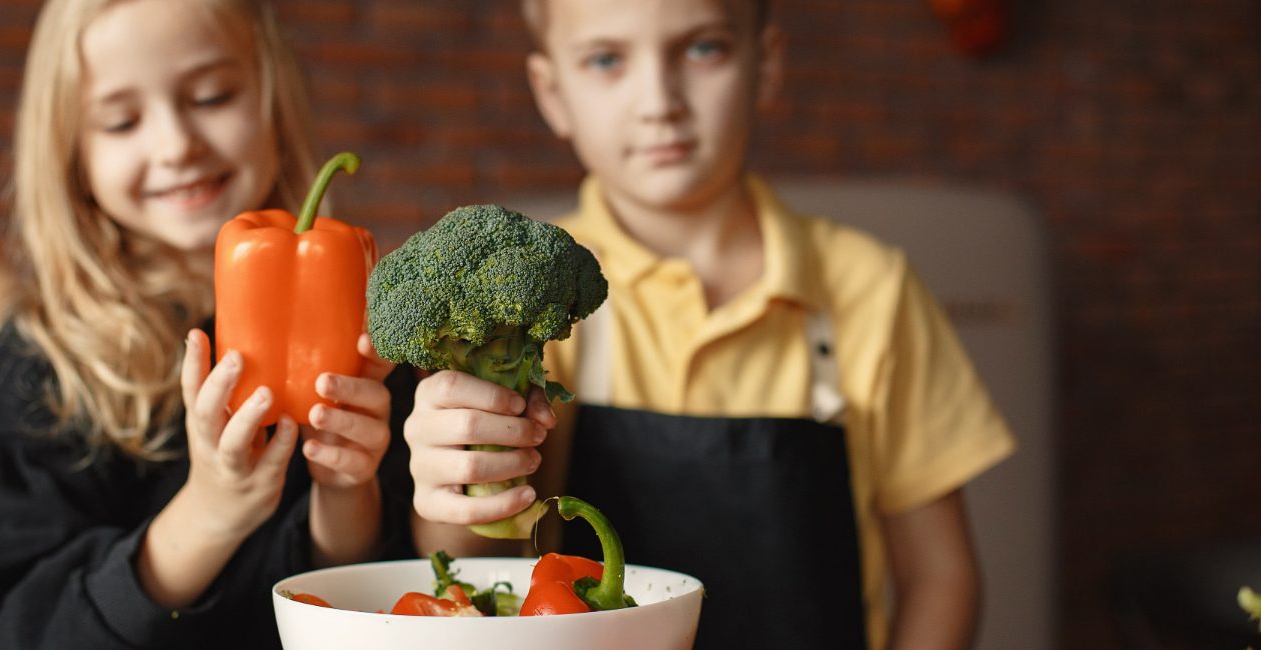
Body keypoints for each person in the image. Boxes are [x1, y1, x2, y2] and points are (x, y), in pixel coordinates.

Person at [403, 0, 1017, 648]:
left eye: (702, 49)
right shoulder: (522, 309)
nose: (659, 100)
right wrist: (454, 483)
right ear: (553, 94)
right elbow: (470, 565)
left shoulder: (873, 289)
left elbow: (940, 575)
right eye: (607, 59)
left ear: (768, 64)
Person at [0, 1, 411, 647]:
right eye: (121, 120)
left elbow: (382, 603)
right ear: (70, 152)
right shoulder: (42, 358)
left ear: (272, 99)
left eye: (211, 97)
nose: (177, 145)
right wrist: (210, 512)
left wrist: (347, 492)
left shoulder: (370, 323)